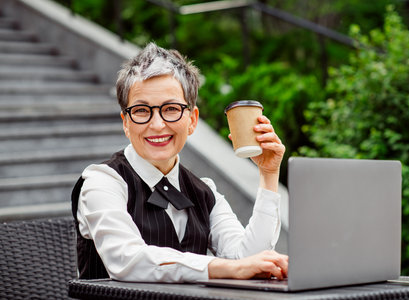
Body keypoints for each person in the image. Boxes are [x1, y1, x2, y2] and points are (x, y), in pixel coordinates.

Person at [71, 42, 288, 283]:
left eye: (171, 109)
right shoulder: (103, 181)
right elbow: (127, 259)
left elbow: (249, 260)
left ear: (192, 120)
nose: (156, 124)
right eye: (142, 111)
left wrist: (269, 173)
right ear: (126, 122)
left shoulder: (204, 192)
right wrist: (222, 267)